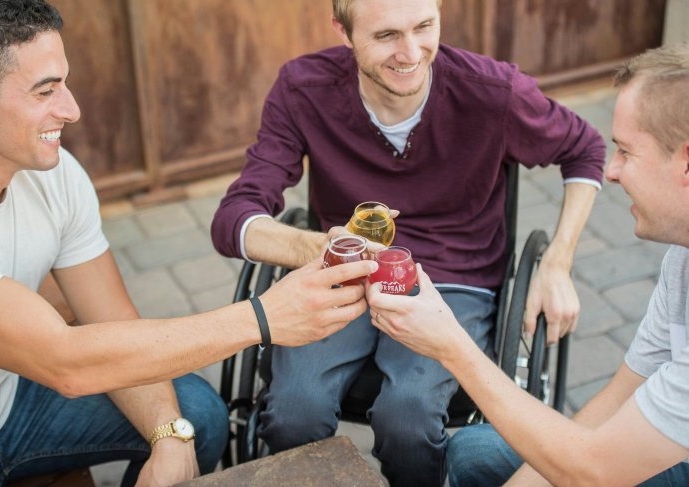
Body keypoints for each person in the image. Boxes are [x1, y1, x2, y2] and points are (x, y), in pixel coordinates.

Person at [0, 1, 376, 486]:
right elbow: (65, 361)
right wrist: (265, 317)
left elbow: (111, 319)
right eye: (45, 91)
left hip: (10, 404)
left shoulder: (54, 175)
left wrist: (169, 433)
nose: (71, 109)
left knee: (197, 415)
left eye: (64, 83)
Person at [210, 0, 606, 484]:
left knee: (408, 417)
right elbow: (233, 218)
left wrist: (558, 263)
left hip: (456, 279)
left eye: (424, 26)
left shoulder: (492, 91)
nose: (411, 52)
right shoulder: (303, 88)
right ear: (343, 30)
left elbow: (585, 149)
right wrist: (319, 248)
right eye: (386, 36)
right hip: (346, 274)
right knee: (292, 411)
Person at [366, 42, 689, 486]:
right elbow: (611, 408)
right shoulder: (682, 258)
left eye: (627, 152)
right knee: (475, 450)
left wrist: (449, 344)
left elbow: (595, 472)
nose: (612, 172)